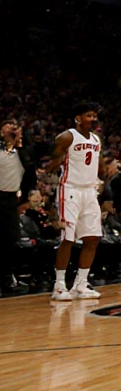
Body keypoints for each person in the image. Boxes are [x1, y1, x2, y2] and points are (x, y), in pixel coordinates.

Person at [46, 102, 104, 301]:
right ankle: (59, 286)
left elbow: (100, 166)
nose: (93, 118)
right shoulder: (67, 136)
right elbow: (51, 159)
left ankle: (81, 284)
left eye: (94, 115)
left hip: (90, 191)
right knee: (67, 238)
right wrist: (47, 171)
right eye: (89, 115)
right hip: (69, 189)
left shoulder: (97, 139)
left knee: (92, 238)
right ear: (78, 118)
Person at [1, 118, 38, 294]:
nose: (12, 130)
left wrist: (19, 141)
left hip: (10, 199)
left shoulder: (22, 152)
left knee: (11, 238)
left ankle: (8, 276)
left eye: (15, 129)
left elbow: (30, 167)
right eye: (8, 127)